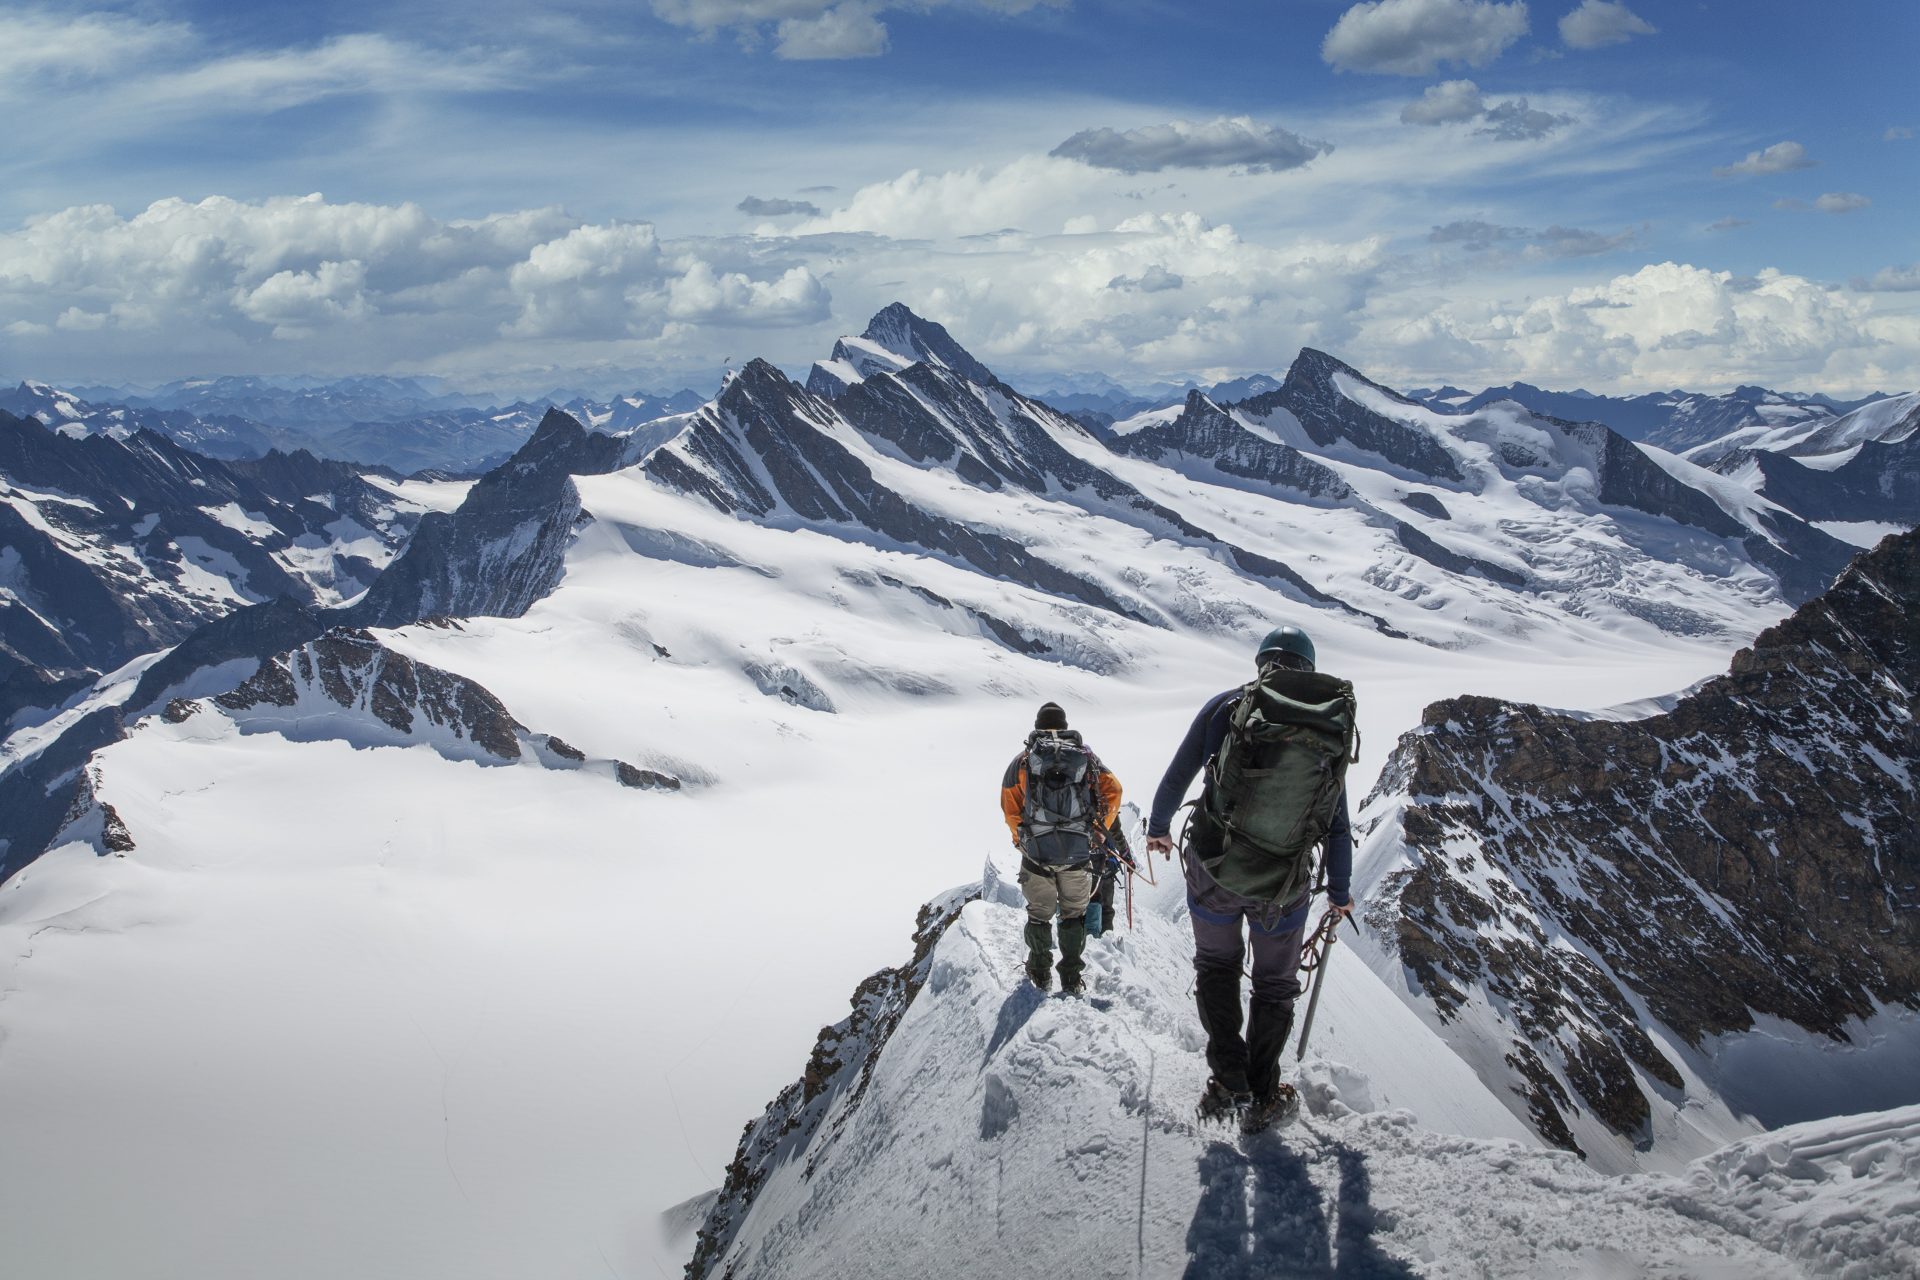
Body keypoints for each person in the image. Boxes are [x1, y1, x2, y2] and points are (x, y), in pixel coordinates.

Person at [1145, 626, 1355, 1132]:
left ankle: (1228, 1079)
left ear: (1262, 661)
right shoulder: (1329, 727)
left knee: (1216, 966)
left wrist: (1159, 828)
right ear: (1308, 669)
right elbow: (1337, 820)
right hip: (1284, 885)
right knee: (1275, 984)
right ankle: (1263, 1092)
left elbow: (1178, 775)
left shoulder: (1227, 707)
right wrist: (1341, 892)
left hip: (1215, 869)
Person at [1001, 701, 1123, 994]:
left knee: (1038, 915)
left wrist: (1023, 840)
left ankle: (1040, 973)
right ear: (1066, 727)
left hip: (1037, 855)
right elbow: (1114, 789)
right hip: (1077, 854)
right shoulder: (1086, 759)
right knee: (1073, 916)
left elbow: (1010, 807)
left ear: (1037, 726)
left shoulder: (1022, 761)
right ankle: (1070, 977)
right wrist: (1095, 830)